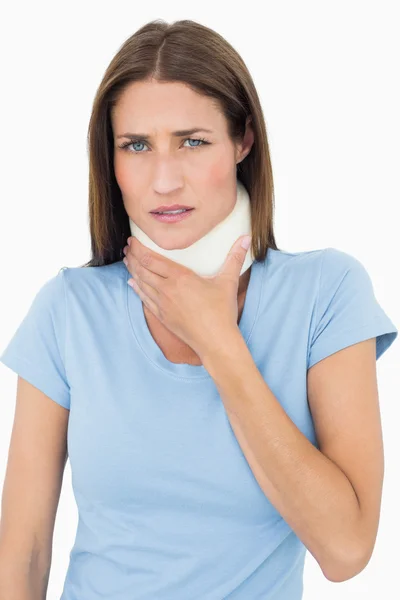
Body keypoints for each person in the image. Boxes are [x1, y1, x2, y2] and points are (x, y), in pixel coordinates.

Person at [0, 18, 398, 600]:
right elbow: (25, 550)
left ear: (243, 140)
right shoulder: (69, 309)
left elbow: (346, 551)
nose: (164, 179)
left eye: (193, 141)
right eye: (136, 145)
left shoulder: (326, 292)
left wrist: (217, 339)